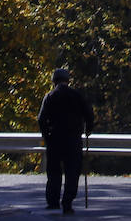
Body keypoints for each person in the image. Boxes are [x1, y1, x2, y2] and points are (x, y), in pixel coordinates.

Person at [37, 67, 94, 214]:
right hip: (73, 139)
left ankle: (53, 201)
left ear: (54, 81)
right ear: (68, 80)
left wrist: (46, 135)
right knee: (72, 172)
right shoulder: (76, 95)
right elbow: (89, 114)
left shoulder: (50, 96)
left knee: (54, 171)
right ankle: (67, 202)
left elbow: (41, 119)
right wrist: (88, 130)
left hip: (55, 138)